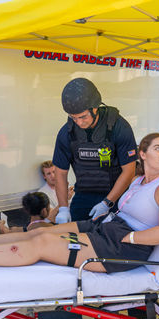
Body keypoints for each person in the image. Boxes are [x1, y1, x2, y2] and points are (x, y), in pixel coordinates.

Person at [0, 134, 159, 274]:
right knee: (40, 231)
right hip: (107, 225)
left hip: (123, 246)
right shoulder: (138, 181)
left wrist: (130, 237)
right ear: (143, 154)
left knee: (42, 243)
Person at [53, 78, 137, 223]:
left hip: (116, 195)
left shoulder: (119, 127)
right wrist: (63, 208)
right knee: (74, 240)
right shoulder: (66, 133)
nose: (79, 122)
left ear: (95, 107)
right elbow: (60, 172)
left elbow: (129, 171)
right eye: (74, 118)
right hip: (83, 194)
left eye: (83, 116)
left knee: (108, 240)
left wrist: (107, 203)